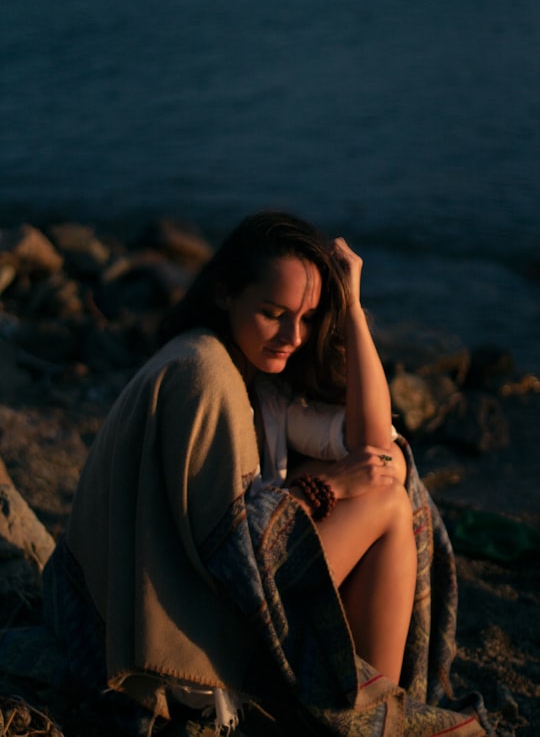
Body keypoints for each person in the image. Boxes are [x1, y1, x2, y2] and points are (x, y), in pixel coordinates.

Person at [42, 211, 488, 736]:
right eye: (274, 313)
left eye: (307, 317)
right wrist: (332, 487)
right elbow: (227, 547)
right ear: (227, 293)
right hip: (182, 627)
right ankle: (364, 718)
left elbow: (374, 443)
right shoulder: (202, 372)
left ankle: (363, 712)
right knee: (384, 500)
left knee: (383, 479)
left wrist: (352, 308)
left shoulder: (264, 386)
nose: (291, 336)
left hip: (210, 597)